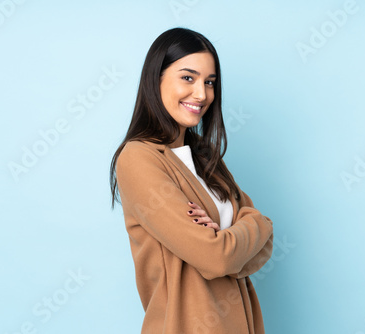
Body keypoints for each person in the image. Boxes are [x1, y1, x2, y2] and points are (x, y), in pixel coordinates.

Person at [109, 27, 274, 334]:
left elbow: (264, 243)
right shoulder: (138, 158)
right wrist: (246, 229)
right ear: (155, 78)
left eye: (209, 82)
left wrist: (245, 230)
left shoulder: (205, 155)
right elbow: (216, 258)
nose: (202, 94)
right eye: (188, 77)